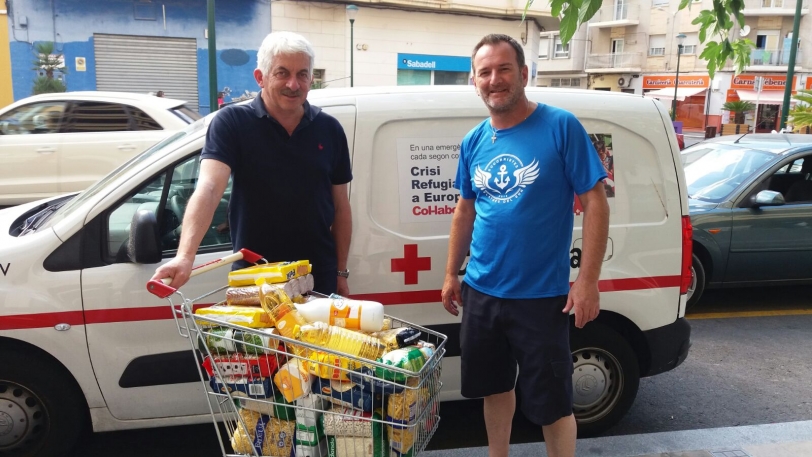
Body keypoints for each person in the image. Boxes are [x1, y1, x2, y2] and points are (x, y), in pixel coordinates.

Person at [441, 34, 609, 457]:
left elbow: (595, 202)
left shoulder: (560, 126)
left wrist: (587, 281)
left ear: (523, 74)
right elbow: (465, 211)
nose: (494, 79)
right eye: (485, 72)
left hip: (540, 297)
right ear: (475, 81)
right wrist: (450, 274)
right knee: (494, 389)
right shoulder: (474, 140)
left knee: (552, 404)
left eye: (504, 69)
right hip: (482, 292)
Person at [151, 31, 353, 296]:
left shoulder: (330, 129)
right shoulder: (232, 123)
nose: (293, 84)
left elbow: (341, 208)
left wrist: (340, 272)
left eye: (302, 74)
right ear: (260, 77)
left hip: (317, 278)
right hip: (256, 277)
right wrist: (185, 256)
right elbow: (210, 188)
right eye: (282, 73)